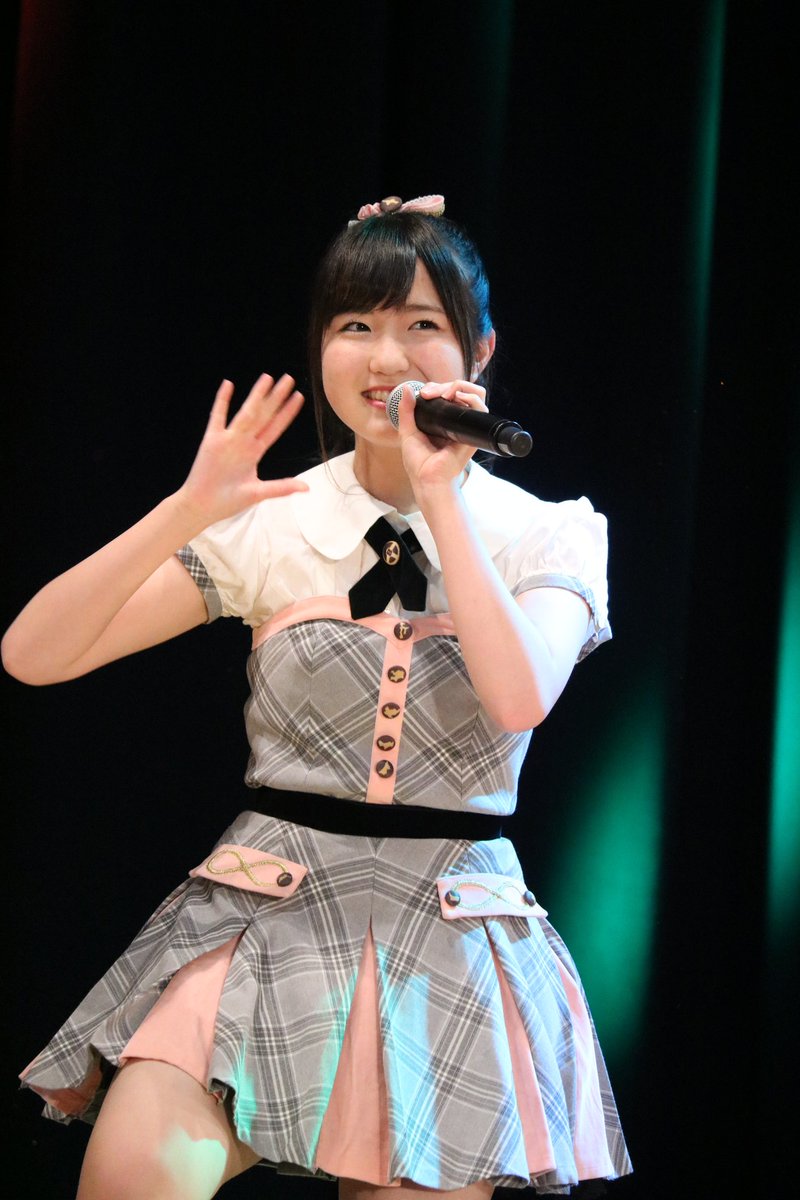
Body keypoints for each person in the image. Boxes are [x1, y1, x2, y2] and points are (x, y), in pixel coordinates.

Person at [3, 193, 633, 1200]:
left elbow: (519, 698)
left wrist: (439, 496)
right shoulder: (276, 520)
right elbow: (33, 655)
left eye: (420, 324)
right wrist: (185, 511)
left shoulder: (547, 532)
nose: (386, 357)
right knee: (130, 1176)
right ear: (319, 346)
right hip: (264, 915)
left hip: (447, 932)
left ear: (477, 351)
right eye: (355, 326)